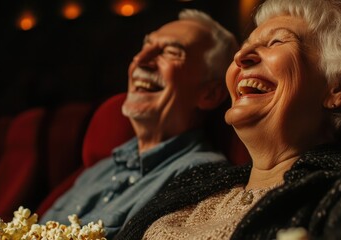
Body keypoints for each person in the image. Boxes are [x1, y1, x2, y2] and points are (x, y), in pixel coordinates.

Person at [115, 0, 341, 239]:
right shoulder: (197, 180)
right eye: (245, 47)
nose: (240, 57)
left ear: (340, 85)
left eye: (277, 42)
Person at [39, 9, 239, 238]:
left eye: (172, 52)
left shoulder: (197, 176)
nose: (140, 60)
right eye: (146, 46)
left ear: (210, 94)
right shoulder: (97, 170)